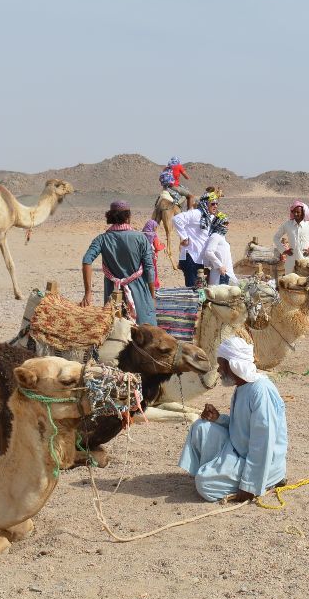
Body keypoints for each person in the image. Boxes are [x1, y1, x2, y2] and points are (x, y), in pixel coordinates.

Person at [178, 336, 288, 502]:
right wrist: (218, 419)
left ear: (232, 366)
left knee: (204, 484)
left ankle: (262, 481)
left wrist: (250, 485)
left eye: (221, 365)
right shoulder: (242, 387)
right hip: (239, 450)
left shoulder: (261, 391)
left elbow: (263, 443)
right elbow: (242, 426)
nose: (219, 371)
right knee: (201, 427)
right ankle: (218, 472)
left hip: (264, 464)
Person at [82, 200, 157, 325]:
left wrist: (88, 292)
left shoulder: (101, 239)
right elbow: (149, 268)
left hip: (113, 294)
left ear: (110, 217)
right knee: (144, 332)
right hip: (139, 293)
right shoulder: (140, 238)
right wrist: (152, 295)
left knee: (115, 329)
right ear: (128, 217)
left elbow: (86, 261)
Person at [173, 191, 219, 287]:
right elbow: (176, 219)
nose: (215, 206)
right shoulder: (196, 213)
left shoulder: (208, 217)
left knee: (199, 288)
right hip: (191, 257)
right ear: (205, 204)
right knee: (192, 290)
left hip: (199, 259)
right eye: (213, 204)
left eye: (217, 203)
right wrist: (184, 237)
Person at [273, 201, 309, 274]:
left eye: (298, 212)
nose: (295, 214)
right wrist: (284, 250)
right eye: (294, 212)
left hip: (304, 260)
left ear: (303, 213)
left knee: (303, 283)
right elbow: (276, 237)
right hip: (291, 261)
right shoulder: (287, 224)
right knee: (289, 282)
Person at [200, 212, 235, 285]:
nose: (227, 225)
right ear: (218, 224)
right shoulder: (215, 236)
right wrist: (220, 266)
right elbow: (208, 252)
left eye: (228, 223)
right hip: (219, 275)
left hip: (227, 273)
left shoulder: (222, 237)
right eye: (225, 223)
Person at [142, 219, 164, 289]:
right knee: (153, 271)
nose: (155, 228)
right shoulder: (154, 235)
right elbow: (157, 247)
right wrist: (163, 245)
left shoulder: (142, 234)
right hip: (152, 256)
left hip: (143, 256)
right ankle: (155, 286)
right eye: (155, 227)